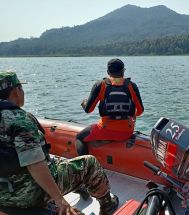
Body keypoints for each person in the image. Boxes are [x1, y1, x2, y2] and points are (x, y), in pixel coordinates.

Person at [0, 71, 118, 215]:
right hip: (28, 193)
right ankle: (107, 205)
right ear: (15, 91)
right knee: (89, 163)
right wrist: (59, 199)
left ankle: (78, 188)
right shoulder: (19, 119)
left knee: (58, 163)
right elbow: (35, 164)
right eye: (21, 88)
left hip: (3, 193)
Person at [76, 58, 144, 155]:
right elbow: (140, 111)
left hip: (105, 130)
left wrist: (84, 103)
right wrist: (131, 115)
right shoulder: (132, 86)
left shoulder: (100, 85)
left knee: (79, 137)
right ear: (123, 71)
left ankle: (86, 166)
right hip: (127, 132)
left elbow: (89, 110)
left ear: (108, 72)